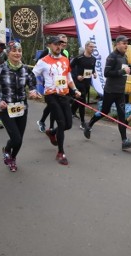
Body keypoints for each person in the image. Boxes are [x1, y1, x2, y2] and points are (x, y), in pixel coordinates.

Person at [0, 42, 40, 171]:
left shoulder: (26, 69)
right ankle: (6, 150)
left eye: (20, 50)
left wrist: (33, 91)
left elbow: (32, 84)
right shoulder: (0, 69)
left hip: (21, 107)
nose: (17, 53)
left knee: (19, 139)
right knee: (15, 138)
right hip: (6, 108)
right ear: (8, 53)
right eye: (14, 51)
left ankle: (12, 158)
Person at [32, 35, 82, 165]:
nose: (58, 46)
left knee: (68, 124)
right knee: (61, 122)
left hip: (64, 95)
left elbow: (69, 78)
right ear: (49, 45)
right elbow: (33, 74)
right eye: (55, 44)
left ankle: (51, 132)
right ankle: (61, 152)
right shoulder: (43, 61)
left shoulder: (65, 60)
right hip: (51, 95)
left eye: (60, 44)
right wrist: (34, 89)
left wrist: (75, 90)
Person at [82, 35, 131, 150]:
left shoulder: (125, 57)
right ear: (117, 44)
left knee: (122, 115)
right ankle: (89, 124)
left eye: (127, 43)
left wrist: (129, 71)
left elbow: (123, 72)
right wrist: (122, 71)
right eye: (123, 43)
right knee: (104, 112)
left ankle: (124, 141)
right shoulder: (112, 57)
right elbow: (107, 73)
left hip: (120, 91)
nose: (126, 45)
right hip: (110, 91)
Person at [36, 33, 69, 132]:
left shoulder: (65, 53)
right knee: (52, 106)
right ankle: (49, 126)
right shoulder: (47, 51)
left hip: (61, 85)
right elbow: (38, 64)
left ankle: (47, 124)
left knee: (52, 107)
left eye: (65, 43)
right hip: (50, 83)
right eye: (61, 42)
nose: (63, 45)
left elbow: (66, 68)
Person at [69, 40, 97, 128]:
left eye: (93, 47)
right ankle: (82, 122)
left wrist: (94, 73)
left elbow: (92, 68)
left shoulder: (93, 59)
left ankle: (70, 112)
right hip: (79, 83)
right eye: (91, 47)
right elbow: (70, 67)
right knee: (82, 102)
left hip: (87, 83)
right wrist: (77, 76)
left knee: (79, 99)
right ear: (86, 47)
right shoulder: (79, 58)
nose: (92, 49)